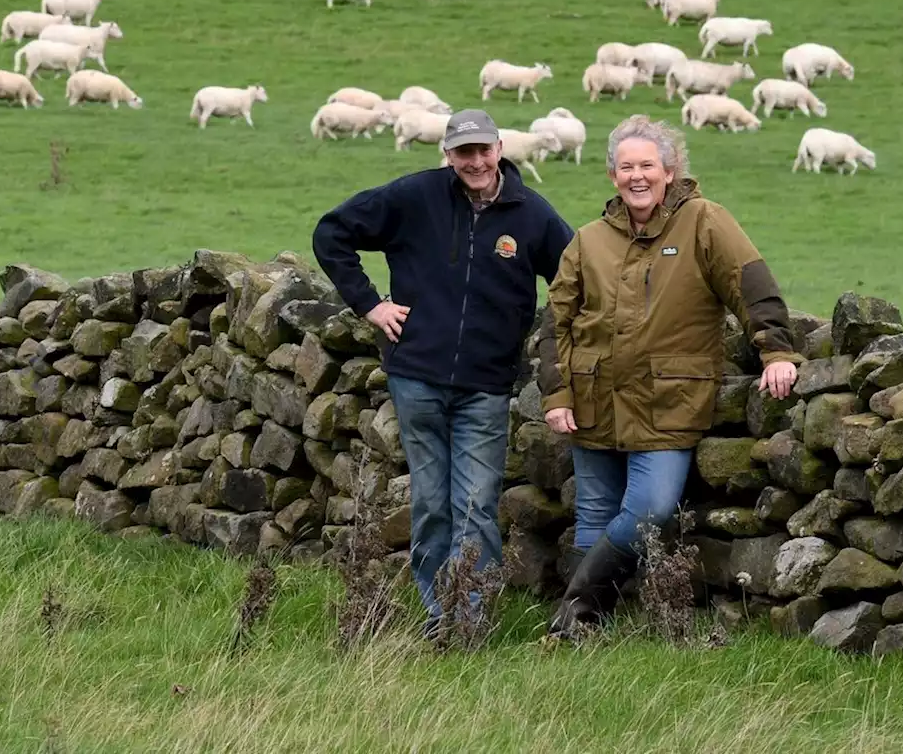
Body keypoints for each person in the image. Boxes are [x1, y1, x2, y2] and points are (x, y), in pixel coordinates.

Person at [536, 114, 803, 638]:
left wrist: (776, 351)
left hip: (668, 402)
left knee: (650, 513)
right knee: (593, 518)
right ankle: (584, 638)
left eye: (648, 166)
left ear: (670, 169)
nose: (638, 176)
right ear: (612, 175)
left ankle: (572, 619)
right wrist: (556, 393)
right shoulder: (588, 240)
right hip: (591, 401)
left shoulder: (705, 221)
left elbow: (750, 283)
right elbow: (555, 324)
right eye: (626, 166)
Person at [311, 108, 573, 637]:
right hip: (417, 375)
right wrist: (371, 305)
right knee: (431, 503)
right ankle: (438, 612)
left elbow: (574, 279)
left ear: (500, 149)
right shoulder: (414, 197)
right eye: (463, 152)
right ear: (447, 155)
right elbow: (331, 233)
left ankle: (470, 618)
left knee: (476, 503)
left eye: (483, 150)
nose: (475, 161)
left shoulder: (532, 215)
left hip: (486, 382)